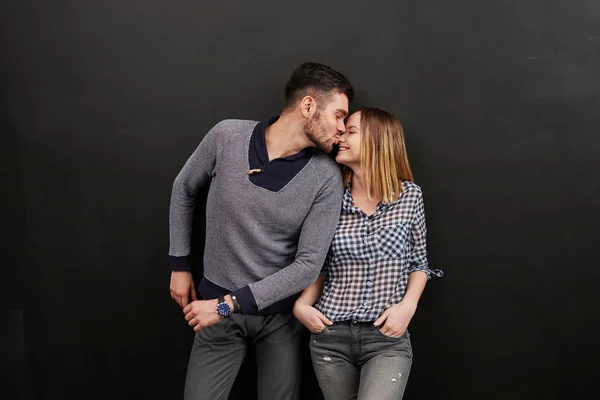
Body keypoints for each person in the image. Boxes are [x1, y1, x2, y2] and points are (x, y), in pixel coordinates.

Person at [167, 62, 354, 400]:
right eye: (339, 115)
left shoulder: (326, 177)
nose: (342, 129)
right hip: (215, 311)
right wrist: (180, 264)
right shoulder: (227, 136)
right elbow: (184, 188)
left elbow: (308, 265)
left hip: (277, 319)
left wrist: (226, 304)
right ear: (308, 105)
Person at [293, 107, 443, 400]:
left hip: (385, 339)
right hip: (330, 337)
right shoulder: (330, 199)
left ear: (377, 140)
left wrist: (408, 306)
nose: (341, 137)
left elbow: (419, 263)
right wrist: (301, 306)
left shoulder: (409, 196)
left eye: (351, 131)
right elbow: (320, 265)